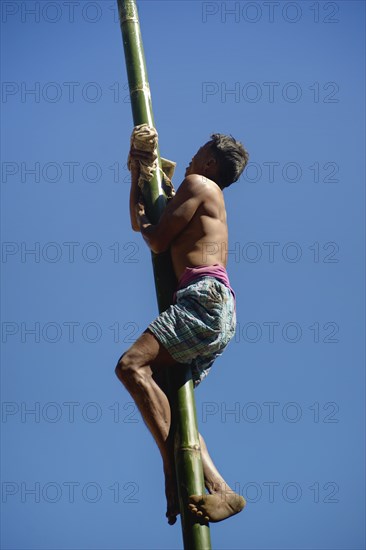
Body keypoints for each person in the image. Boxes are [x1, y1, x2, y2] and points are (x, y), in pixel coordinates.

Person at [115, 132, 249, 525]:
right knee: (173, 405)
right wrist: (138, 174)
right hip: (217, 309)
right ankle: (222, 490)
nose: (191, 158)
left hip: (203, 299)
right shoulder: (203, 193)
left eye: (198, 153)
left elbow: (155, 239)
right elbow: (144, 225)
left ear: (210, 164)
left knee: (131, 366)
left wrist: (142, 174)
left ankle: (173, 468)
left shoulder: (198, 184)